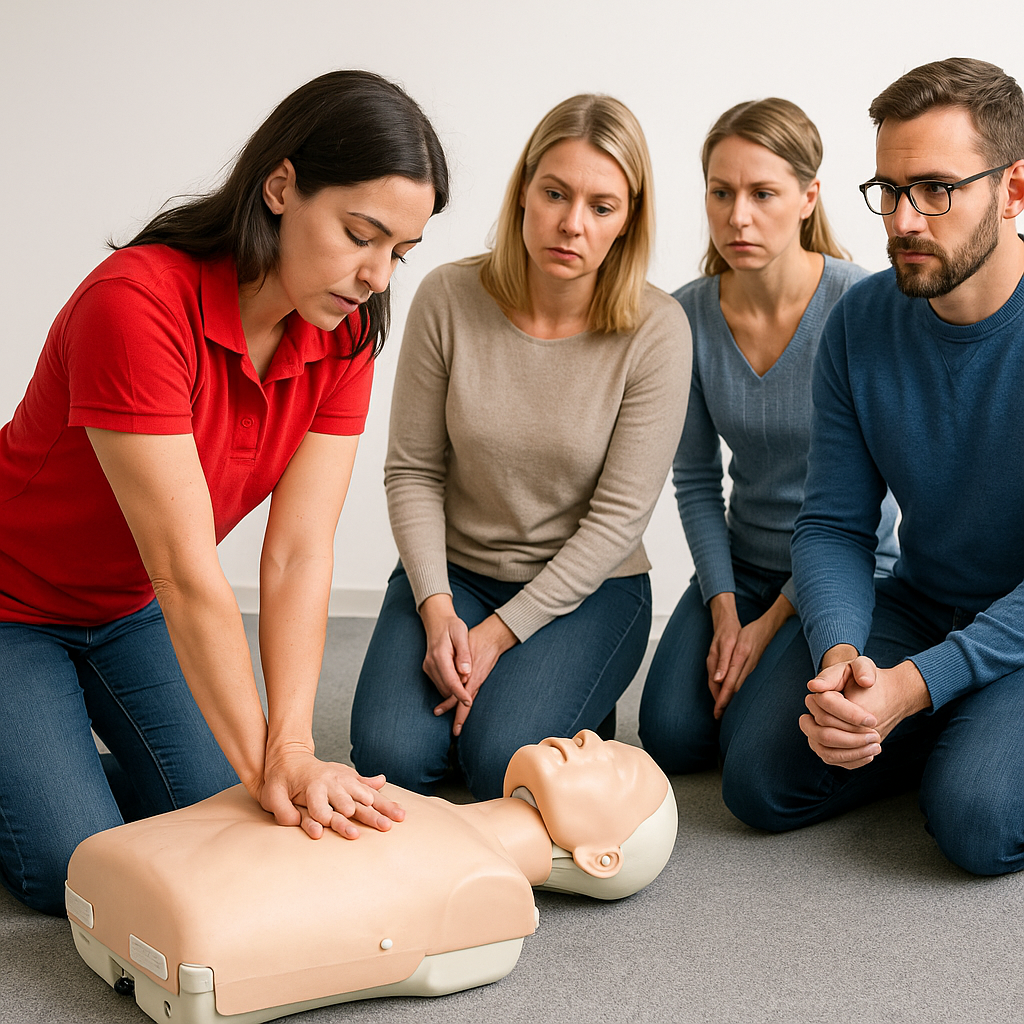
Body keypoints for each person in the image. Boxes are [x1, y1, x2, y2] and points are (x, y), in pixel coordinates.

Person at [0, 70, 449, 914]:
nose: (377, 276)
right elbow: (183, 570)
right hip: (11, 602)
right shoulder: (135, 304)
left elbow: (298, 552)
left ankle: (47, 764)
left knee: (238, 816)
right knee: (73, 865)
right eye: (361, 235)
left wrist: (292, 747)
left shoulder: (344, 332)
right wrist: (274, 762)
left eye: (399, 252)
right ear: (281, 187)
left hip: (128, 607)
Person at [720, 58, 1024, 876]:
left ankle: (951, 727)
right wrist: (842, 661)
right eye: (888, 190)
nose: (904, 219)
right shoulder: (861, 320)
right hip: (924, 602)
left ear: (1014, 189)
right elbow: (832, 523)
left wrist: (915, 685)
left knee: (977, 822)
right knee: (757, 780)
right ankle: (942, 721)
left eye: (935, 189)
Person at [350, 94, 692, 800]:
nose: (572, 224)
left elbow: (617, 520)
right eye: (555, 194)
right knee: (391, 758)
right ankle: (541, 701)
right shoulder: (448, 296)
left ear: (628, 220)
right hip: (457, 576)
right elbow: (413, 471)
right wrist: (438, 609)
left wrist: (497, 637)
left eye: (602, 206)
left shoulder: (658, 329)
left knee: (497, 763)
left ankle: (561, 694)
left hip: (591, 591)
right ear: (524, 192)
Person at [66, 731, 676, 1019]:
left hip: (183, 919)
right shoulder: (418, 808)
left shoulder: (490, 885)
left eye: (614, 766)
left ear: (602, 858)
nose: (590, 737)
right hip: (170, 902)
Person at [638, 99, 897, 773]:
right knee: (671, 734)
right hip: (744, 564)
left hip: (844, 565)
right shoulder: (687, 314)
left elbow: (880, 494)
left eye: (762, 193)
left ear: (808, 198)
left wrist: (772, 622)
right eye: (721, 193)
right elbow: (696, 479)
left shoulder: (859, 304)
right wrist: (725, 611)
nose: (738, 217)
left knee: (750, 744)